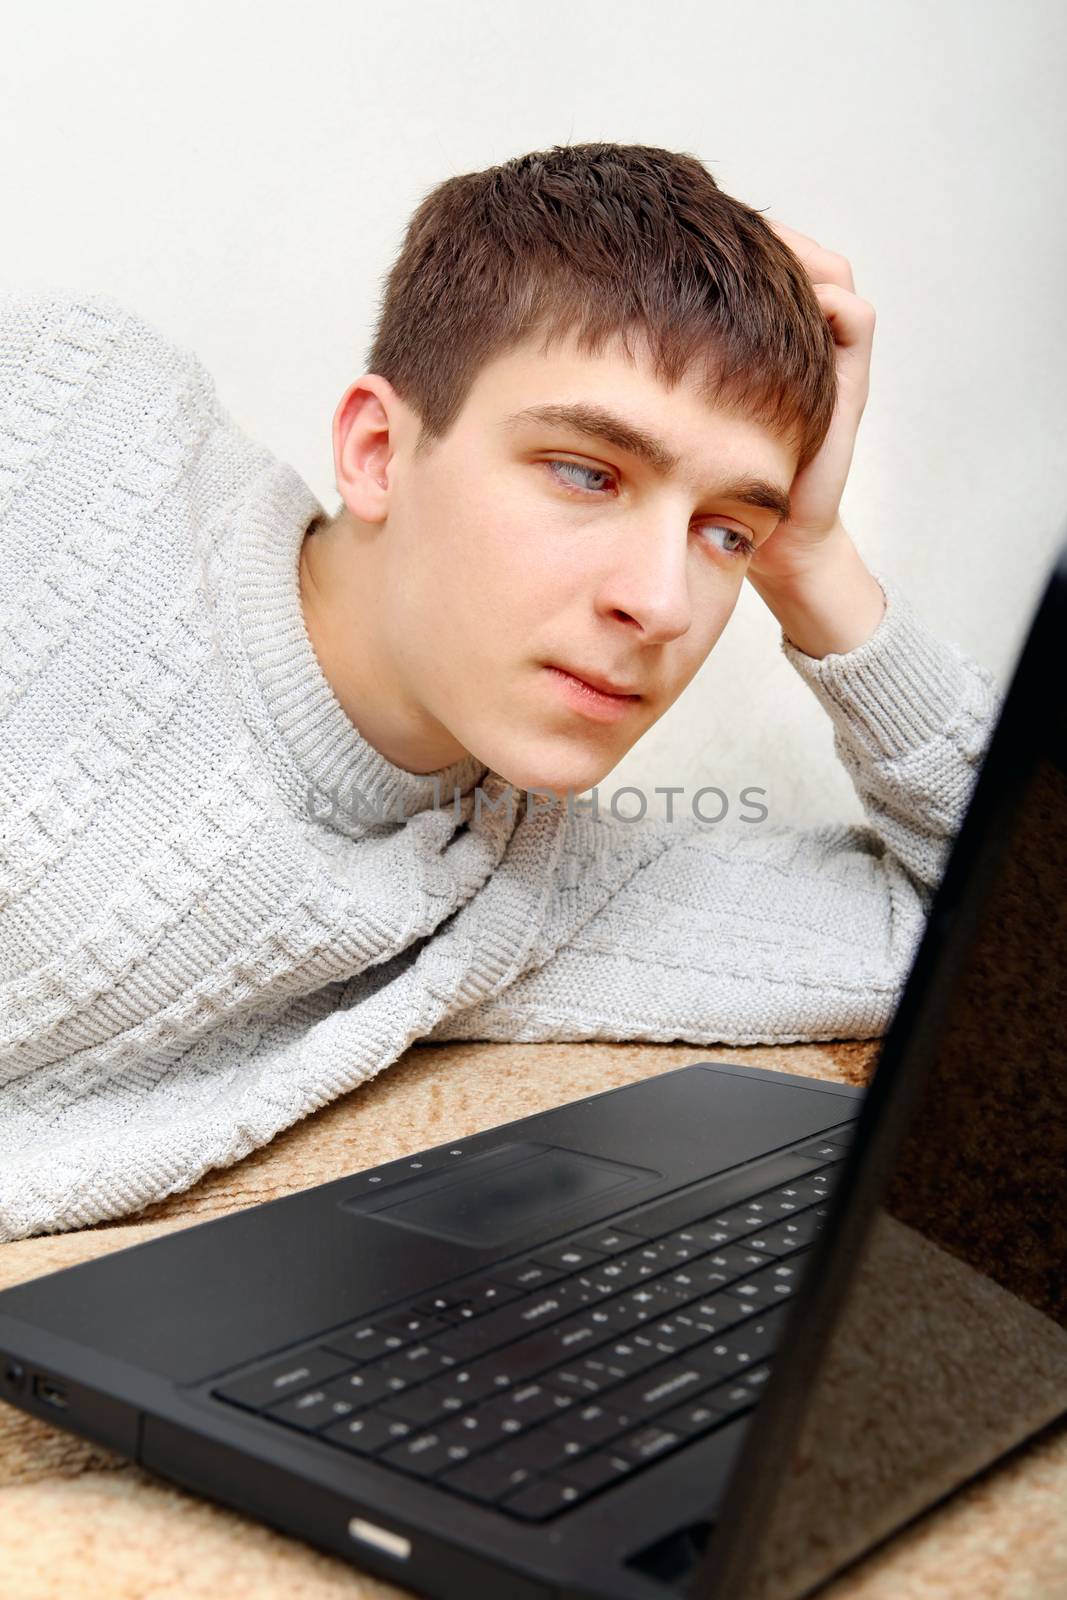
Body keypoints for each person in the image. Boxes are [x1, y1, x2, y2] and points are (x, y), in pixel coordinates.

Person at [0, 143, 1000, 1241]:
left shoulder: (526, 890)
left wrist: (814, 563)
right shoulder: (70, 421)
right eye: (586, 471)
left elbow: (1014, 940)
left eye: (724, 532)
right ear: (378, 450)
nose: (661, 602)